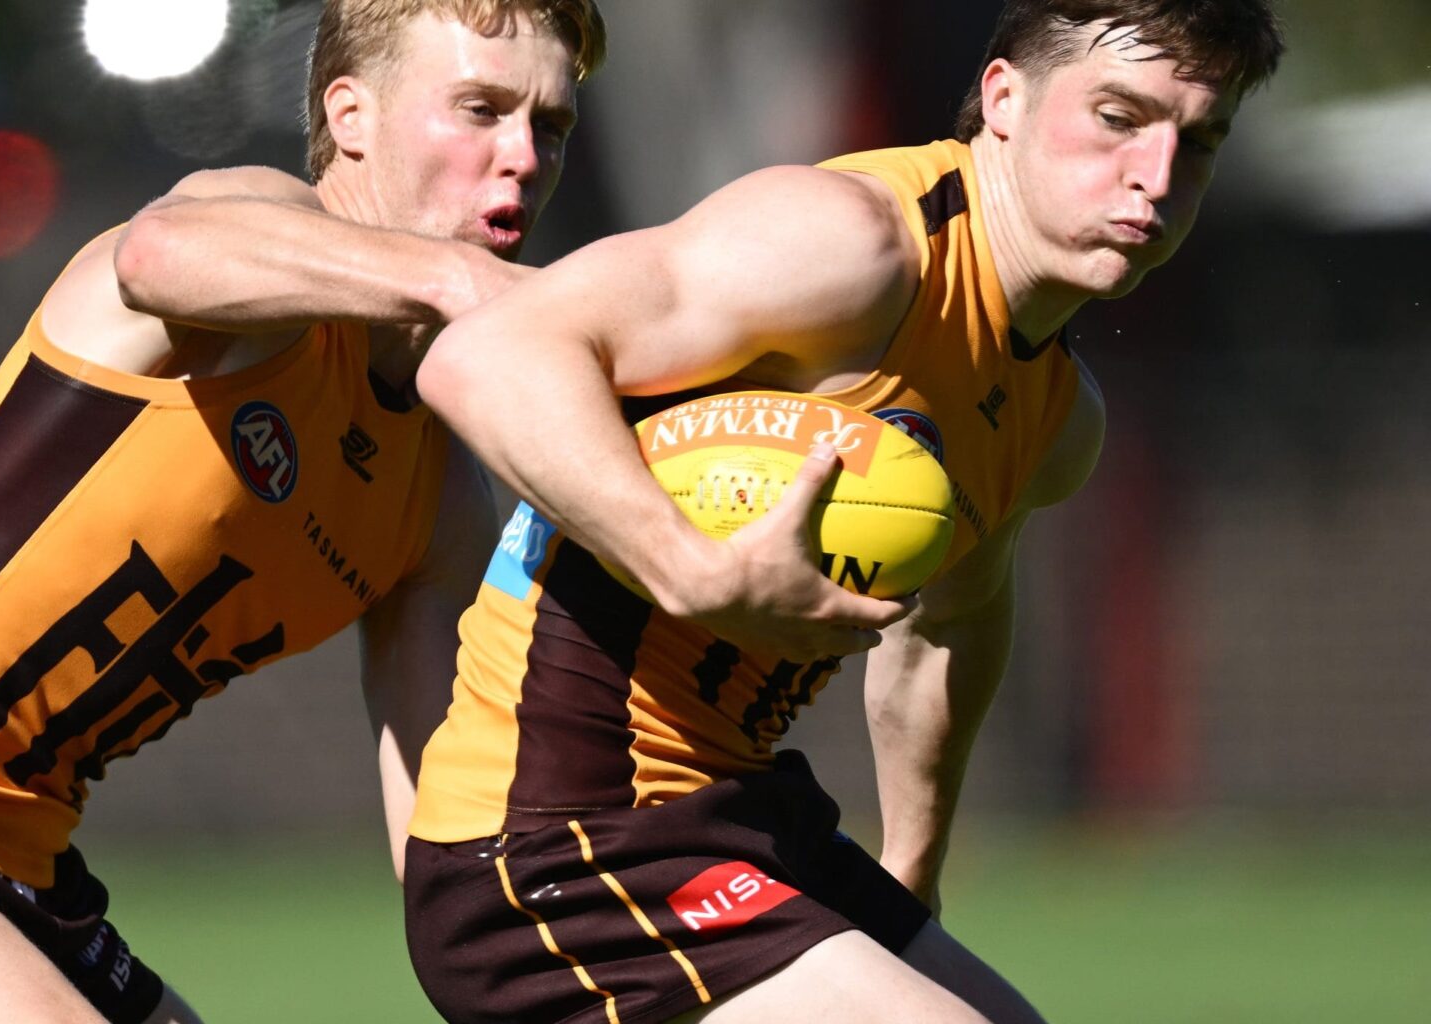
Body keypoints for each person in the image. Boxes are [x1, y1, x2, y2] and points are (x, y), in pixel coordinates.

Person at [0, 3, 606, 1022]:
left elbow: (448, 839)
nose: (522, 156)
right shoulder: (251, 232)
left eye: (549, 124)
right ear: (351, 117)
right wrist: (465, 283)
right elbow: (157, 251)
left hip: (23, 889)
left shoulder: (438, 490)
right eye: (479, 109)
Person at [402, 2, 1283, 1022]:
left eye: (1199, 141)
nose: (1157, 175)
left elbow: (951, 623)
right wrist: (694, 568)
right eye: (1119, 118)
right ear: (1004, 98)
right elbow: (486, 353)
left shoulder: (1055, 418)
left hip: (743, 818)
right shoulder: (851, 245)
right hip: (556, 844)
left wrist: (911, 876)